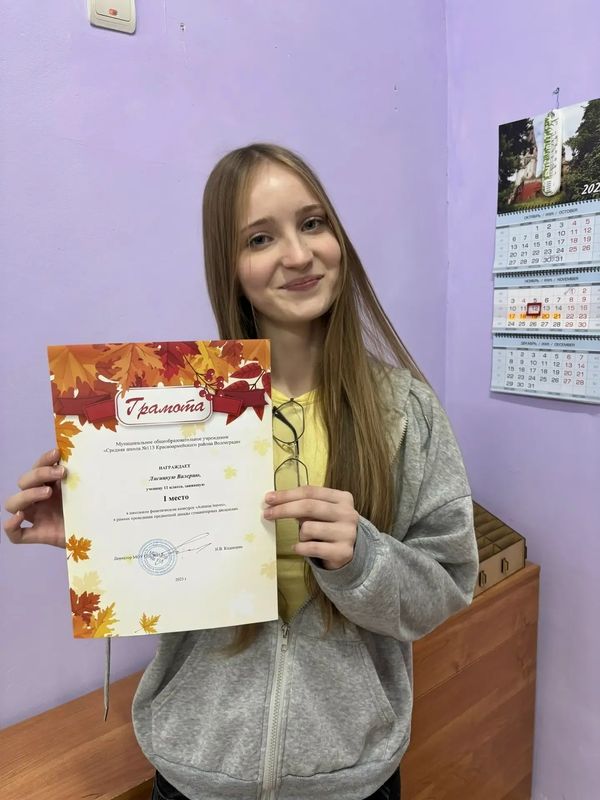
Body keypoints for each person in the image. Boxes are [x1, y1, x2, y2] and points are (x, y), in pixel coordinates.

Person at [2, 143, 479, 800]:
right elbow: (167, 577)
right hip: (198, 775)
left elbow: (447, 586)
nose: (298, 254)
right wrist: (98, 533)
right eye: (261, 237)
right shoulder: (171, 411)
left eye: (312, 223)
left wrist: (363, 558)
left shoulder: (407, 412)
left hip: (351, 779)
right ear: (228, 265)